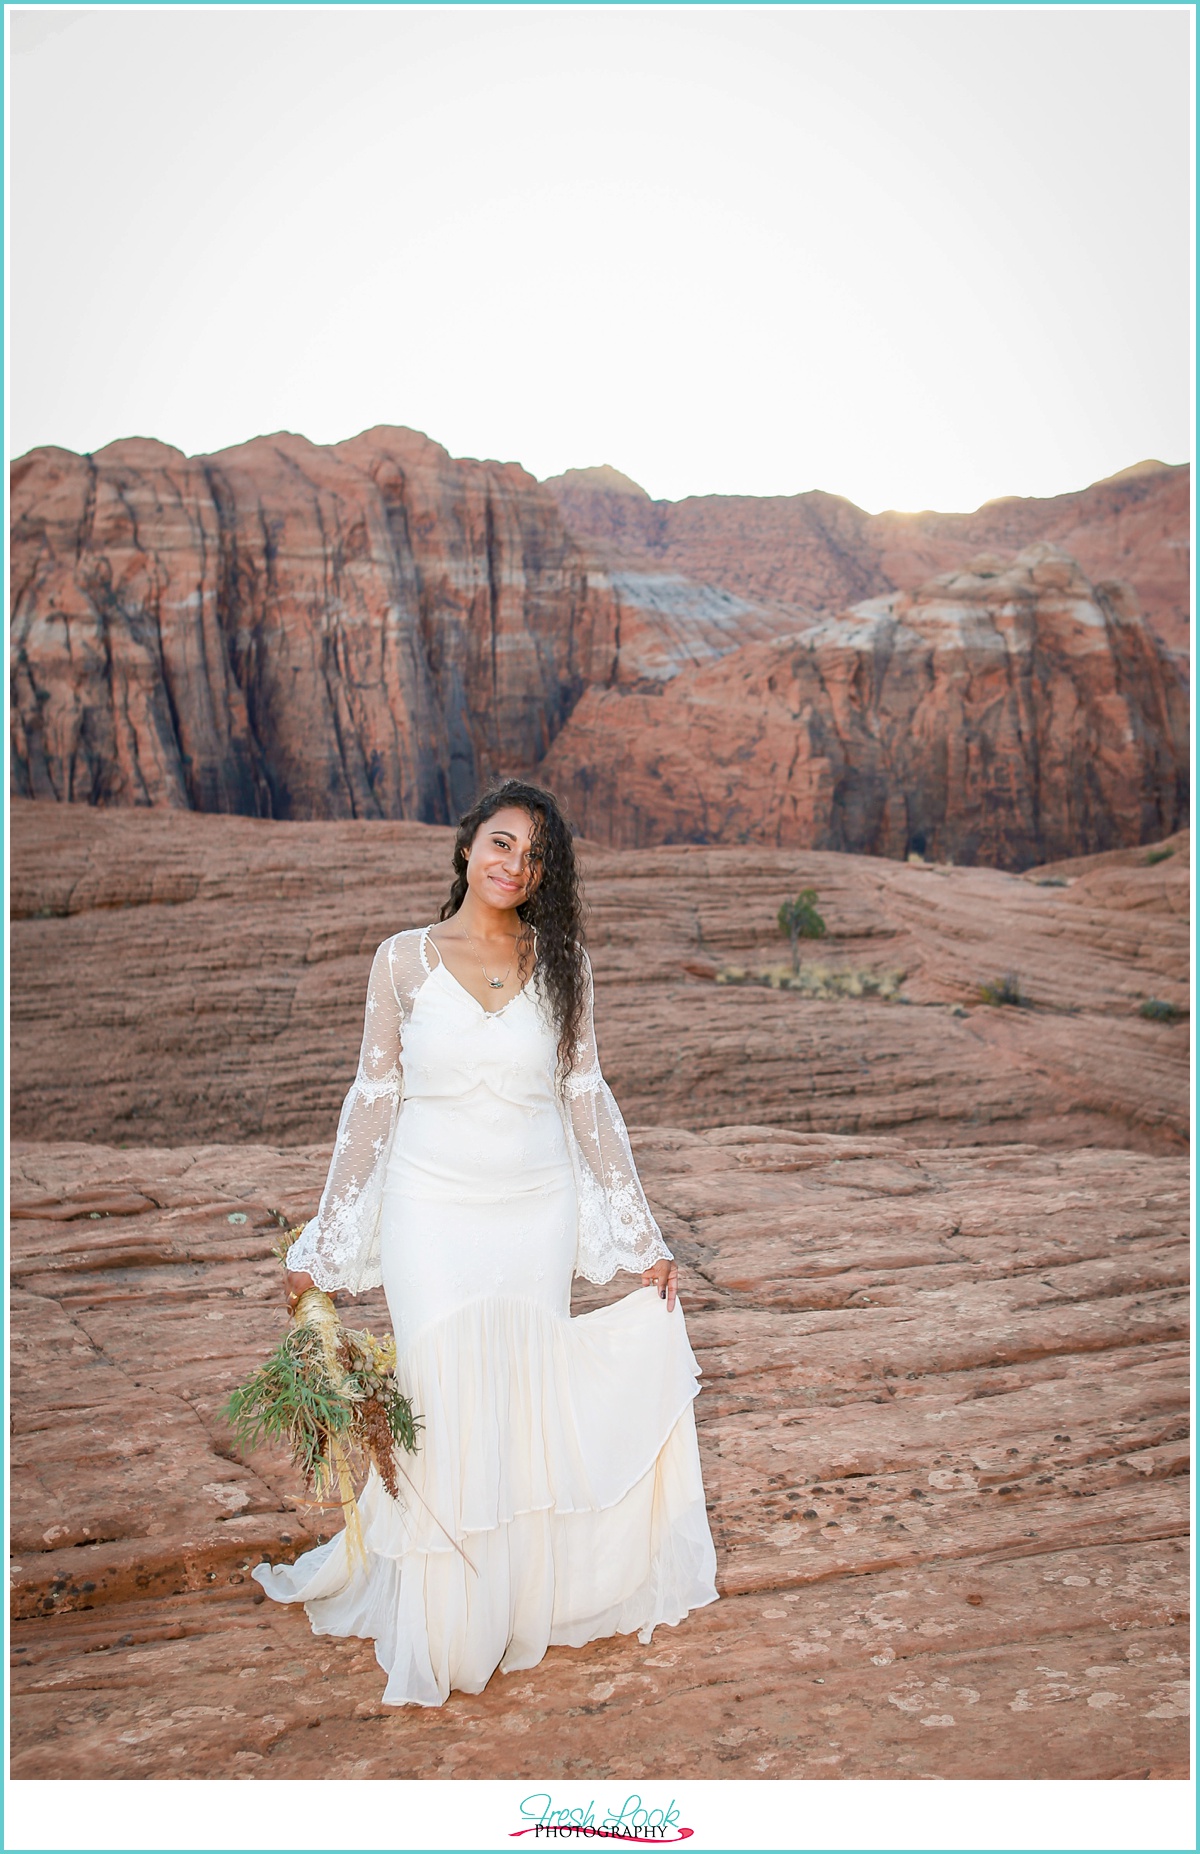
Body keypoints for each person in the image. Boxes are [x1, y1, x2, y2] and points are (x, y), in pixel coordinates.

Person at [252, 778, 719, 1706]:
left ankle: (509, 1603)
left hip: (533, 1208)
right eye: (501, 843)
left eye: (535, 856)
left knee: (515, 1395)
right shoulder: (401, 962)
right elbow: (372, 1103)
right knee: (439, 1394)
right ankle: (444, 1621)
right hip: (432, 1210)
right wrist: (328, 1237)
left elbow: (587, 1099)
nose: (515, 865)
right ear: (467, 847)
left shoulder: (564, 966)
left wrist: (640, 1238)